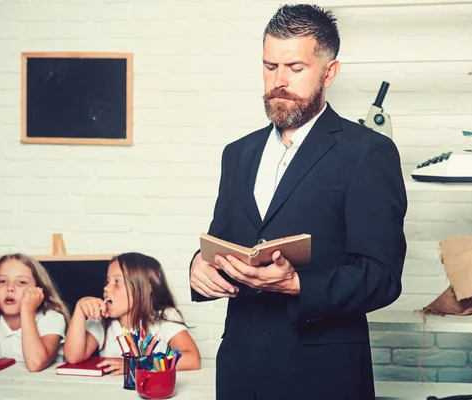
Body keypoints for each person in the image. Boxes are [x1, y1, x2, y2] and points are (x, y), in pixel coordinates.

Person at [189, 4, 407, 399]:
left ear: (329, 72)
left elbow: (382, 277)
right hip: (239, 373)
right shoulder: (237, 153)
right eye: (270, 66)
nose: (279, 80)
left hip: (323, 377)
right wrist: (199, 267)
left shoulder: (368, 153)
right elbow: (222, 241)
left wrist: (297, 283)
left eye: (295, 68)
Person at [64, 252, 201, 375]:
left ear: (145, 289)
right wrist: (79, 311)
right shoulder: (102, 320)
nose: (106, 288)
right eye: (107, 281)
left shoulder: (164, 317)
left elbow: (192, 359)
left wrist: (137, 365)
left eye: (117, 282)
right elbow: (73, 357)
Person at [0, 254, 70, 372]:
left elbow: (36, 363)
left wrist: (27, 311)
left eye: (21, 282)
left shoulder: (51, 318)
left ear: (39, 289)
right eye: (2, 281)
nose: (10, 288)